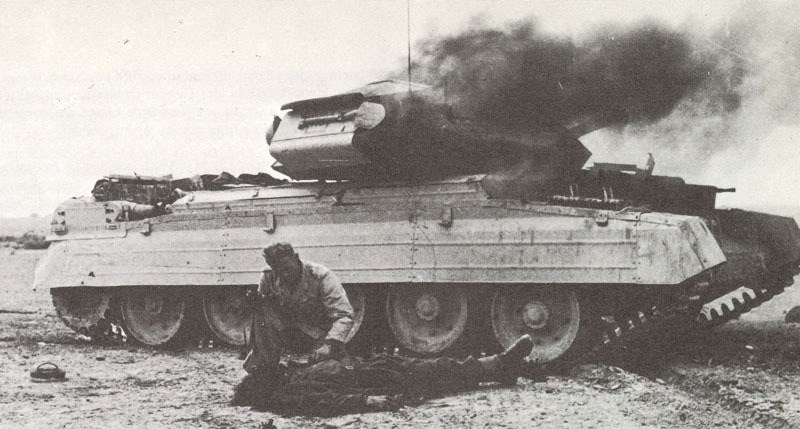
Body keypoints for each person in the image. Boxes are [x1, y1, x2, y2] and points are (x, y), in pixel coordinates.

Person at [232, 335, 534, 417]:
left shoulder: (288, 377)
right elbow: (327, 402)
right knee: (436, 371)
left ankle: (501, 369)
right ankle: (499, 364)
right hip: (374, 381)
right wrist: (367, 400)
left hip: (370, 367)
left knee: (435, 370)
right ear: (262, 384)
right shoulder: (286, 395)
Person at [243, 242, 355, 376]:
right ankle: (264, 367)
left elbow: (344, 315)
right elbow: (264, 314)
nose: (284, 275)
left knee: (335, 371)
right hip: (286, 331)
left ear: (295, 257)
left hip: (318, 335)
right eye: (277, 270)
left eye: (286, 268)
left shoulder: (320, 276)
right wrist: (253, 302)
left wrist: (330, 344)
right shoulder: (269, 276)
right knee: (262, 307)